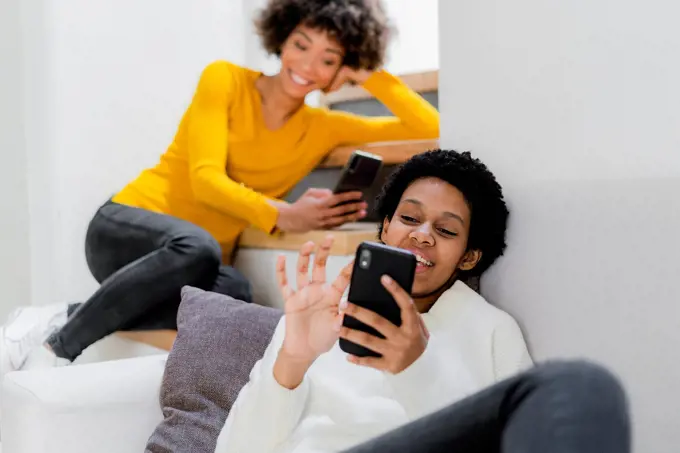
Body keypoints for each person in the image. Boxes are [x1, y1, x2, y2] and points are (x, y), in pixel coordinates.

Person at [0, 0, 439, 375]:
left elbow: (432, 125)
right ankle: (55, 350)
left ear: (339, 70)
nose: (306, 65)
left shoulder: (322, 127)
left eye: (327, 59)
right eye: (301, 44)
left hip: (187, 263)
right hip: (123, 230)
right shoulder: (225, 79)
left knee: (232, 297)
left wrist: (370, 73)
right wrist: (283, 214)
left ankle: (66, 314)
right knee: (200, 247)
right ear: (282, 37)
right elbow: (205, 181)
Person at [213, 149, 625, 453]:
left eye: (446, 231)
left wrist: (415, 370)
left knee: (577, 386)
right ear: (386, 226)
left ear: (469, 256)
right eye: (409, 219)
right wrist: (293, 361)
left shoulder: (490, 330)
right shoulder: (317, 314)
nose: (422, 234)